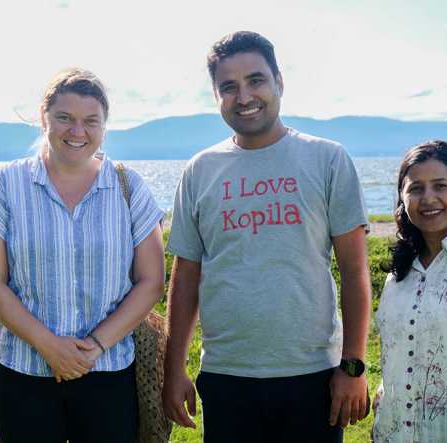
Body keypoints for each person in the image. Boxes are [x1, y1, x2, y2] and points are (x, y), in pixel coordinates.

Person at [162, 31, 372, 442]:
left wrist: (353, 366)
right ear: (216, 95)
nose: (244, 96)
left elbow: (354, 271)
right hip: (226, 375)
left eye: (256, 80)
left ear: (279, 82)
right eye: (229, 87)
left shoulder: (328, 159)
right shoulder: (199, 170)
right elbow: (185, 279)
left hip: (312, 375)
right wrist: (174, 370)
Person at [0, 68, 165, 443]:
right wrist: (49, 346)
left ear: (104, 126)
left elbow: (151, 281)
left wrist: (92, 347)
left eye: (90, 121)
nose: (78, 131)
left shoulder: (129, 187)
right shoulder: (6, 184)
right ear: (43, 117)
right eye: (65, 118)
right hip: (22, 369)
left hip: (107, 368)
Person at [373, 141, 447, 443]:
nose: (428, 198)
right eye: (416, 188)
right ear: (402, 198)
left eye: (440, 185)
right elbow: (400, 349)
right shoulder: (400, 273)